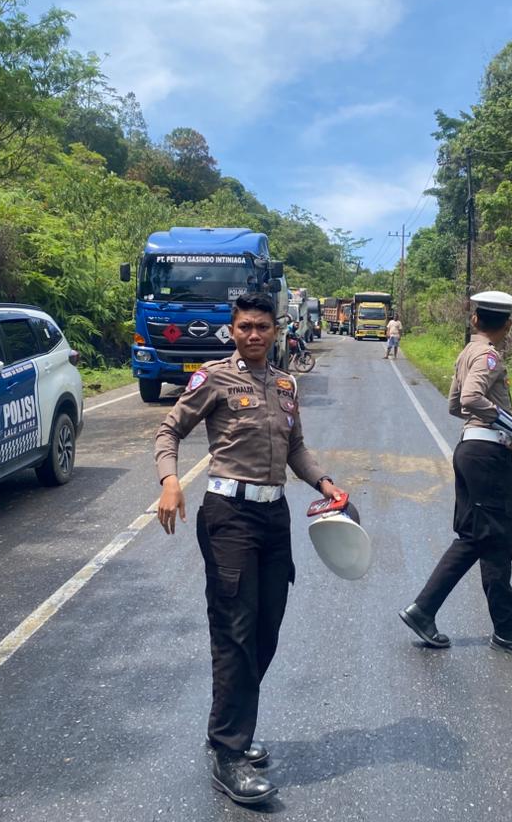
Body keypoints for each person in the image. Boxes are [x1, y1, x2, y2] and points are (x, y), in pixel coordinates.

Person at [154, 291, 348, 806]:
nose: (254, 334)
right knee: (236, 630)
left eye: (262, 326)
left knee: (266, 629)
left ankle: (228, 726)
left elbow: (296, 449)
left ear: (276, 330)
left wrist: (325, 484)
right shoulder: (214, 378)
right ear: (232, 331)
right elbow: (170, 430)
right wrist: (170, 481)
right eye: (245, 327)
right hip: (228, 516)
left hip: (273, 515)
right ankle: (229, 752)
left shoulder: (285, 385)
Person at [399, 291, 512, 659]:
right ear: (508, 325)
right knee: (481, 536)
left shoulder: (467, 352)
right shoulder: (488, 355)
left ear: (475, 320)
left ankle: (505, 628)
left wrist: (494, 418)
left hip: (471, 449)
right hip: (487, 456)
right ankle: (424, 608)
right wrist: (511, 424)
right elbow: (469, 399)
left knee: (492, 540)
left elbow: (454, 404)